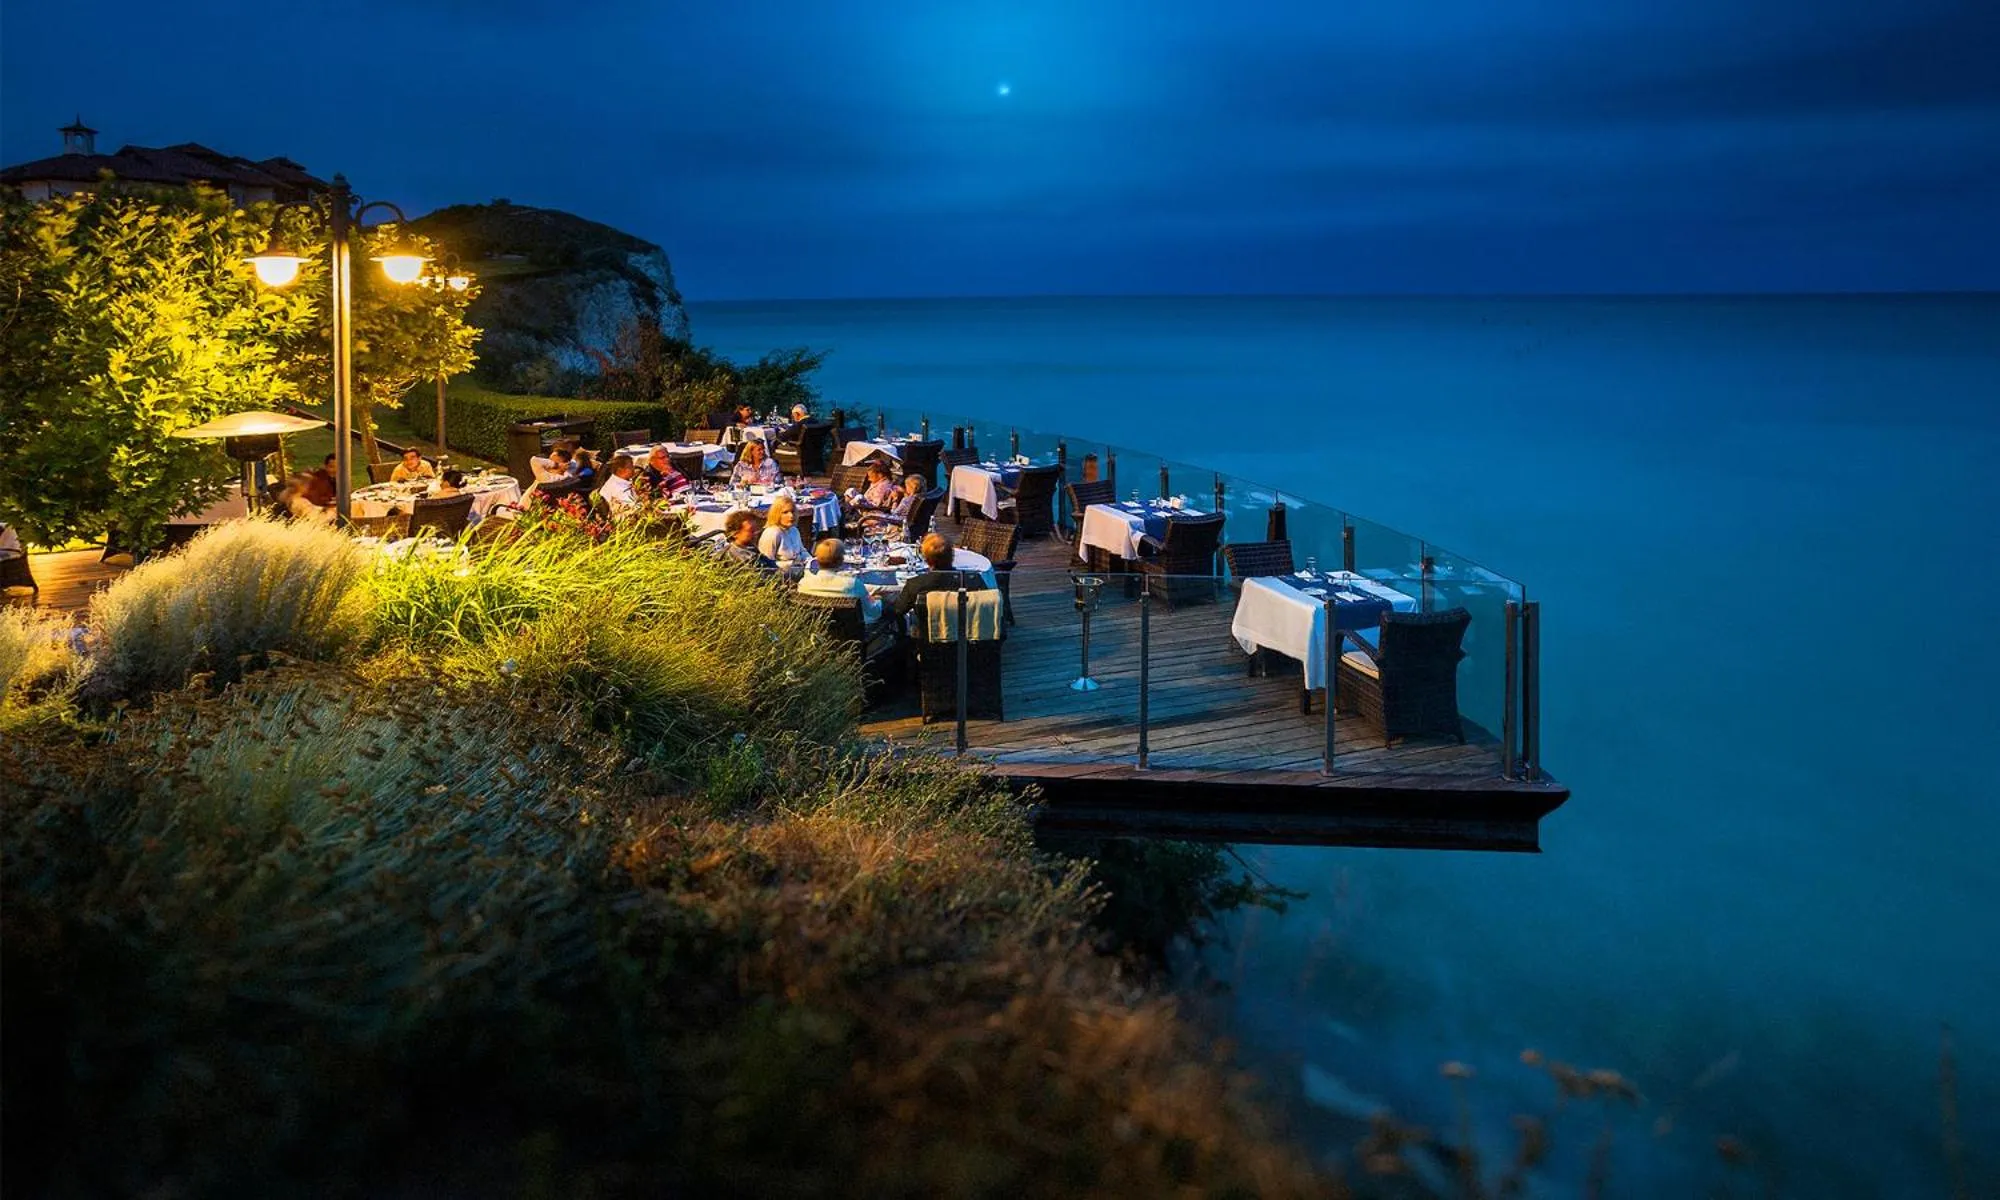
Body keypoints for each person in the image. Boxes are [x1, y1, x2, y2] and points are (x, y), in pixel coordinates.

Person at [889, 532, 990, 626]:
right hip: (968, 639)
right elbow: (987, 608)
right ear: (952, 556)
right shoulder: (973, 580)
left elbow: (898, 610)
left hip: (928, 641)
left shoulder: (916, 584)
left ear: (927, 560)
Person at [798, 538, 882, 622]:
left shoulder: (804, 584)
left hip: (815, 629)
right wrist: (879, 601)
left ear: (817, 559)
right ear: (841, 561)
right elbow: (873, 612)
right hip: (849, 632)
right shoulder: (852, 584)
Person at [756, 494, 807, 577]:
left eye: (792, 511)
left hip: (799, 572)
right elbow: (767, 565)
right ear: (777, 514)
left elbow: (802, 551)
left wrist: (811, 561)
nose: (791, 516)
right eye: (785, 512)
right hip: (781, 578)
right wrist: (791, 564)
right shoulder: (772, 533)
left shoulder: (794, 530)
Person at [863, 472, 927, 536]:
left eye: (906, 486)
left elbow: (894, 513)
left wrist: (895, 500)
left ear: (911, 487)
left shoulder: (907, 499)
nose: (905, 488)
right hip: (909, 524)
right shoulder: (917, 497)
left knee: (869, 518)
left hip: (898, 523)